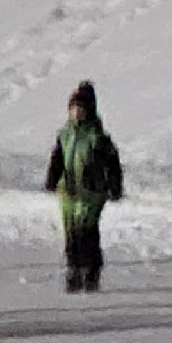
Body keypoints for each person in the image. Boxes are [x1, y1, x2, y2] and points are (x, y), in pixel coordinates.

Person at [42, 81, 125, 292]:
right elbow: (57, 159)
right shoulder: (65, 135)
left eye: (81, 108)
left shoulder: (97, 137)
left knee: (87, 231)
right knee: (71, 232)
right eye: (73, 109)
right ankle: (73, 269)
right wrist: (52, 179)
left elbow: (112, 163)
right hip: (68, 192)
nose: (76, 113)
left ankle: (91, 268)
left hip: (91, 192)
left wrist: (115, 186)